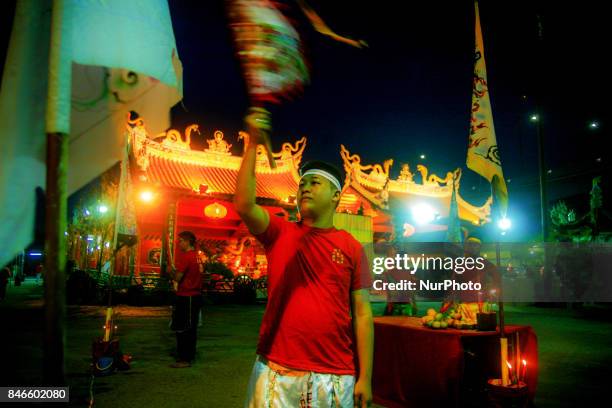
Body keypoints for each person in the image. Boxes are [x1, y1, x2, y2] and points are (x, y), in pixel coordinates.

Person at [235, 110, 374, 408]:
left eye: (315, 183)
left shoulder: (352, 246)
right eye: (302, 184)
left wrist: (366, 377)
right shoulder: (279, 232)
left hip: (335, 372)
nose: (305, 188)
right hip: (277, 367)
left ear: (336, 196)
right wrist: (252, 146)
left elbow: (362, 314)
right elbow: (245, 205)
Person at [168, 231, 202, 368]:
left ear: (188, 242)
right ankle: (189, 355)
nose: (179, 243)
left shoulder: (187, 257)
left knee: (183, 328)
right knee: (191, 328)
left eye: (181, 240)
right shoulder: (197, 257)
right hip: (195, 296)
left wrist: (170, 270)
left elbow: (177, 278)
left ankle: (184, 358)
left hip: (187, 296)